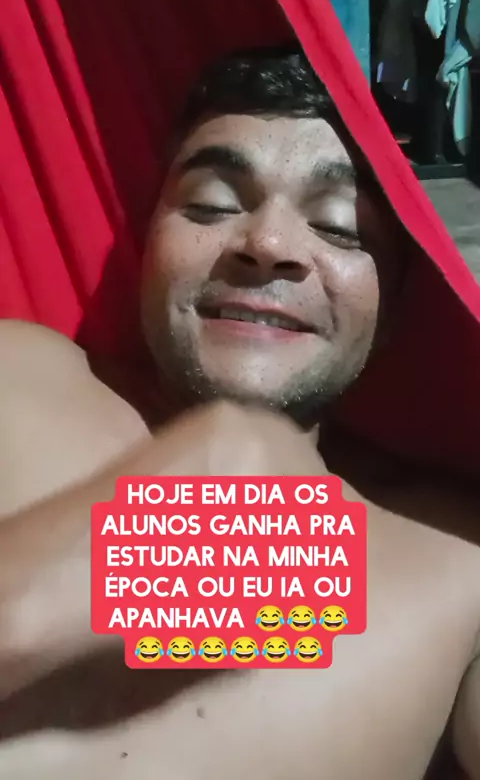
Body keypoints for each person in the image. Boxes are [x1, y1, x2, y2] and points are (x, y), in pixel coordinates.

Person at [0, 45, 478, 780]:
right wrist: (150, 544)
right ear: (148, 240)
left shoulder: (458, 554)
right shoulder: (16, 378)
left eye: (340, 226)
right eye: (212, 205)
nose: (268, 244)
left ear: (396, 302)